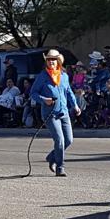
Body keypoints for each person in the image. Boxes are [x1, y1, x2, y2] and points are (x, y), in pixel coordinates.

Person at [31, 49, 80, 177]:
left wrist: (75, 105)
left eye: (53, 59)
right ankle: (60, 167)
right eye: (48, 59)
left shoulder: (64, 76)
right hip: (50, 113)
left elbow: (69, 92)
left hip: (64, 112)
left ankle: (51, 156)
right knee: (60, 140)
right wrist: (44, 100)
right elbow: (33, 93)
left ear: (58, 61)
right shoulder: (42, 76)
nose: (51, 62)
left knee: (69, 140)